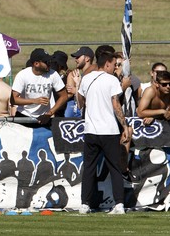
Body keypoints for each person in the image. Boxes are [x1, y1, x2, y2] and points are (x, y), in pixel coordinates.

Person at [77, 51, 128, 215]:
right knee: (115, 168)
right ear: (107, 63)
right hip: (109, 130)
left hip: (91, 131)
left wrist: (78, 86)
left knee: (89, 168)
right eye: (114, 64)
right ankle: (119, 204)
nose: (115, 67)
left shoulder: (86, 78)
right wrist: (125, 126)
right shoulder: (112, 80)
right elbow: (116, 104)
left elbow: (80, 103)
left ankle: (85, 204)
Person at [11, 48, 68, 125]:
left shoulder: (53, 74)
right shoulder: (22, 75)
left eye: (50, 61)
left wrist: (50, 113)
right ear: (36, 64)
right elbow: (13, 100)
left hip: (44, 118)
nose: (49, 64)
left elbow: (64, 96)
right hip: (24, 116)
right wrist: (34, 101)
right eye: (46, 62)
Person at [68, 46, 95, 116]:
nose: (75, 60)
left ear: (87, 58)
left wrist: (76, 89)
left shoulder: (93, 75)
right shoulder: (78, 75)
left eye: (78, 57)